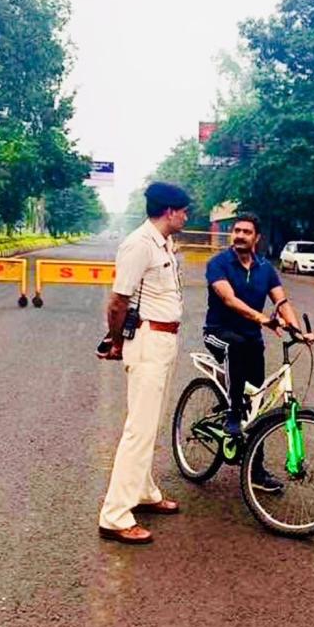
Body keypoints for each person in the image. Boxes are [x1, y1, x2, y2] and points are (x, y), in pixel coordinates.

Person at [97, 182, 190, 545]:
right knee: (139, 429)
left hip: (164, 340)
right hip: (148, 341)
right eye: (183, 211)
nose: (186, 217)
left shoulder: (163, 243)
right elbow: (118, 301)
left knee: (151, 425)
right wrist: (117, 342)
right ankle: (115, 515)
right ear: (169, 211)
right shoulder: (138, 243)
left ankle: (144, 492)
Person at [203, 212, 314, 492]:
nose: (240, 235)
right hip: (218, 333)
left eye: (247, 232)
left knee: (258, 404)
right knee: (236, 347)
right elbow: (229, 299)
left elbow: (281, 302)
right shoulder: (218, 264)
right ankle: (231, 414)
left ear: (257, 238)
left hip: (252, 340)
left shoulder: (266, 268)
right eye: (237, 230)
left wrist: (297, 331)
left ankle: (256, 469)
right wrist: (263, 319)